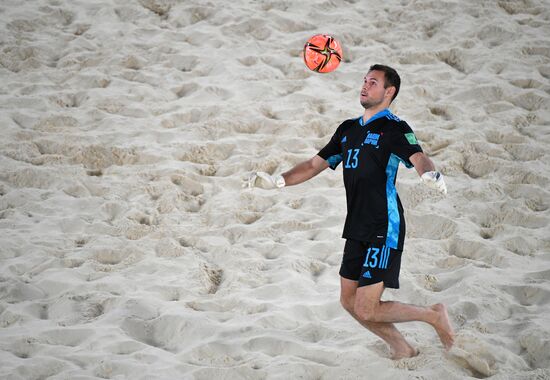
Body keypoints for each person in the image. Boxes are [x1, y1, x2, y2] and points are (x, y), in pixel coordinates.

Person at [246, 64, 454, 359]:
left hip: (384, 225)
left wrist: (430, 175)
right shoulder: (348, 129)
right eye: (364, 80)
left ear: (389, 91)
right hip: (356, 225)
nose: (365, 86)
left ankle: (433, 315)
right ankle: (401, 347)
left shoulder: (394, 128)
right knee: (349, 301)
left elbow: (419, 157)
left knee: (367, 306)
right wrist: (277, 181)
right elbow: (312, 165)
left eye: (374, 82)